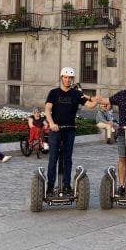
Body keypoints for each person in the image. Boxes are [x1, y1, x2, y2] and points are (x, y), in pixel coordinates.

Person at [44, 67, 97, 196]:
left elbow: (91, 105)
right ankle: (50, 187)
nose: (67, 80)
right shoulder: (53, 92)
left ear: (72, 80)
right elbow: (47, 110)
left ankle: (67, 186)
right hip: (56, 130)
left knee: (67, 158)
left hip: (69, 130)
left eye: (70, 78)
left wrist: (89, 97)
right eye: (65, 77)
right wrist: (51, 124)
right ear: (61, 78)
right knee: (53, 158)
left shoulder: (76, 94)